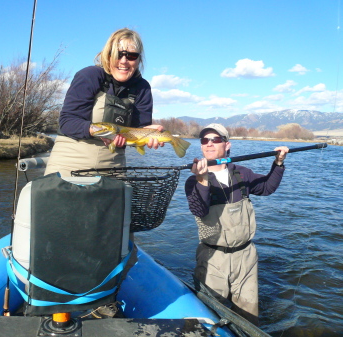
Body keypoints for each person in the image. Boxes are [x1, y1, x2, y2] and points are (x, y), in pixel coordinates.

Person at [184, 123, 289, 325]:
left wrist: (278, 164)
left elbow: (267, 188)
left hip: (246, 257)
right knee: (210, 316)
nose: (209, 143)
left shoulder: (242, 173)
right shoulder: (193, 180)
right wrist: (202, 181)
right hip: (213, 257)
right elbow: (199, 210)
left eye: (215, 139)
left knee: (249, 315)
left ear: (227, 144)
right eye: (205, 140)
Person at [45, 28, 163, 177]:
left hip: (113, 169)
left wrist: (148, 134)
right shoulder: (90, 76)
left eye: (131, 56)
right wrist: (99, 132)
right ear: (107, 55)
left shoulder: (142, 88)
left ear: (139, 59)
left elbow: (138, 129)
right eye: (118, 54)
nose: (124, 61)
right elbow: (67, 122)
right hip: (69, 164)